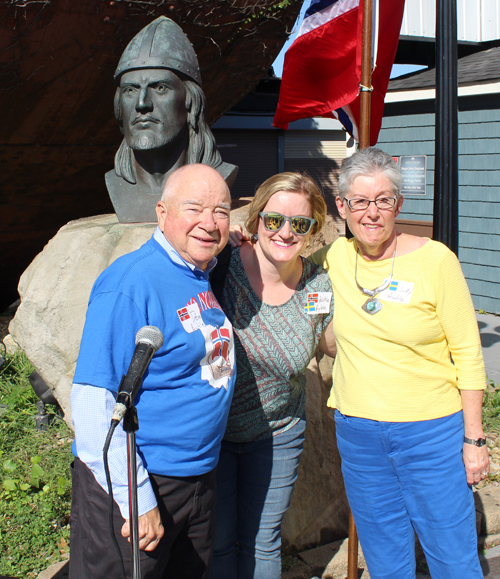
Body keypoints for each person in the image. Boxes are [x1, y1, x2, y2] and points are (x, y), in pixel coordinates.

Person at [310, 147, 489, 579]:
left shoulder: (435, 261)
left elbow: (468, 352)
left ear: (398, 204)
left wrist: (475, 439)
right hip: (359, 434)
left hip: (431, 434)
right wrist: (242, 241)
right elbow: (281, 265)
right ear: (343, 206)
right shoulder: (333, 259)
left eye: (383, 200)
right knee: (385, 558)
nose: (372, 213)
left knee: (453, 557)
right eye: (361, 201)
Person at [69, 164, 236, 579]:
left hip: (196, 479)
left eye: (221, 212)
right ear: (162, 214)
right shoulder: (130, 282)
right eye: (194, 208)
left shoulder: (197, 271)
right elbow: (93, 404)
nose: (209, 223)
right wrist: (138, 499)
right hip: (138, 481)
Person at [210, 172, 336, 579]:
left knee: (263, 542)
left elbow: (333, 343)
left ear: (313, 229)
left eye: (299, 223)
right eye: (273, 220)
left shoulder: (319, 288)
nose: (285, 232)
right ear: (256, 218)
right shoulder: (220, 268)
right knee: (219, 542)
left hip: (279, 434)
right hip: (213, 435)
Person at [106, 16, 237, 223]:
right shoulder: (114, 182)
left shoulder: (220, 177)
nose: (142, 104)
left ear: (191, 104)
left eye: (160, 88)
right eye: (130, 90)